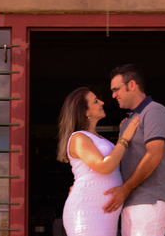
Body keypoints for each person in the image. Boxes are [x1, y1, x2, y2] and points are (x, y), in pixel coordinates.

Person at [57, 86, 140, 236]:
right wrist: (124, 139)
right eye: (95, 101)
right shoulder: (78, 138)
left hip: (105, 212)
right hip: (87, 210)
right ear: (85, 112)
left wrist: (122, 137)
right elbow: (105, 166)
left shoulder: (100, 139)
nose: (102, 102)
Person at [103, 64, 165, 236]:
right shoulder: (130, 120)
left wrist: (125, 189)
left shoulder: (154, 111)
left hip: (150, 201)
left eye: (116, 89)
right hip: (132, 203)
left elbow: (154, 155)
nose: (113, 95)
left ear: (132, 85)